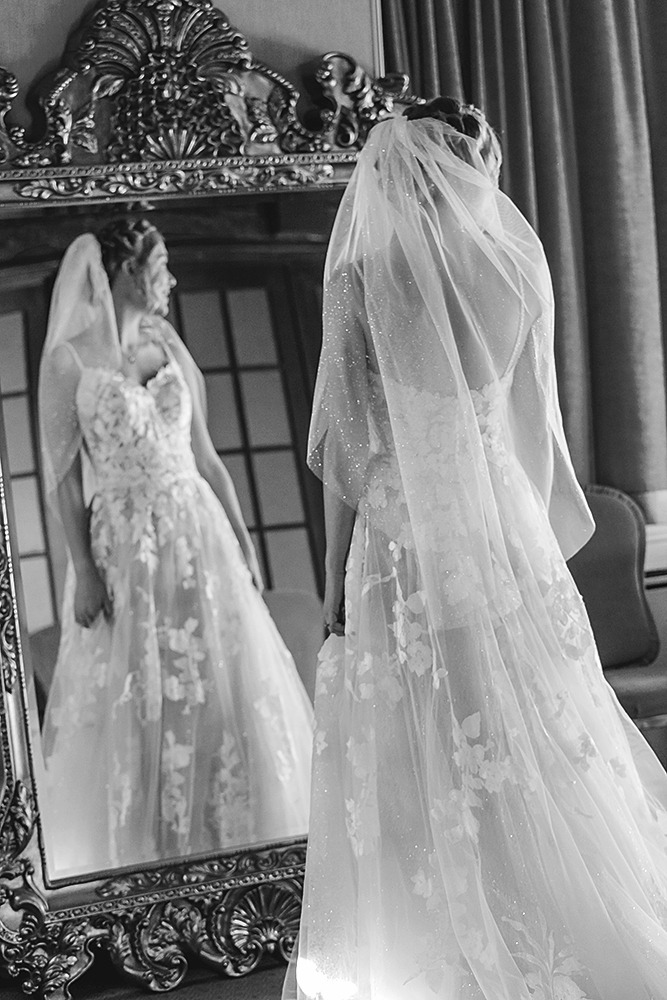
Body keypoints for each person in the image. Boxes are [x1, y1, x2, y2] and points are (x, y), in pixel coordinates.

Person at [285, 99, 667, 1000]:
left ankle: (448, 948)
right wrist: (526, 542)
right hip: (503, 534)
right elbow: (534, 427)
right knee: (524, 731)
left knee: (425, 748)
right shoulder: (512, 266)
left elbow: (345, 450)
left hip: (404, 547)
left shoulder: (362, 278)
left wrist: (341, 574)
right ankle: (562, 920)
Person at [38, 219, 313, 876]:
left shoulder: (165, 340)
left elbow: (210, 460)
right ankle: (150, 860)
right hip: (125, 547)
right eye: (162, 263)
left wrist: (244, 546)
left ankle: (240, 848)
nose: (173, 277)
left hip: (199, 533)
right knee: (143, 691)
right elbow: (62, 479)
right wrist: (83, 568)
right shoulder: (68, 361)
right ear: (129, 269)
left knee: (220, 683)